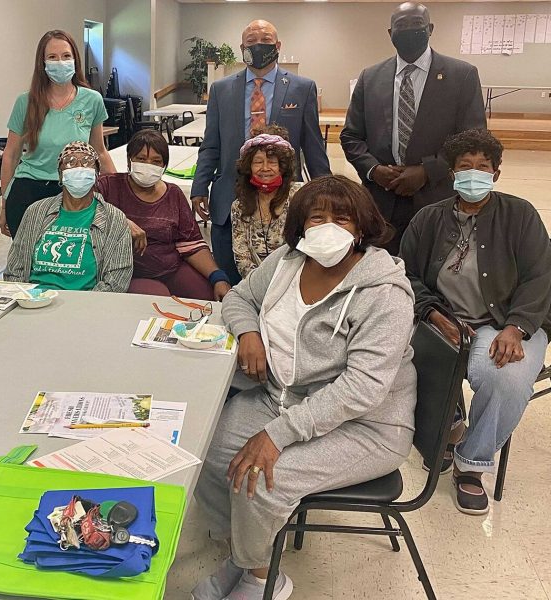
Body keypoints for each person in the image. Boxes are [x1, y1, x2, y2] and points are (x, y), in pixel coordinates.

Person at [193, 176, 416, 600]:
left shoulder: (383, 294)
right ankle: (241, 556)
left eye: (343, 219)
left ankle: (263, 579)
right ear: (300, 225)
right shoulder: (287, 261)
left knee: (257, 478)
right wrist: (248, 335)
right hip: (284, 397)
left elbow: (363, 388)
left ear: (362, 228)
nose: (328, 228)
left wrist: (276, 436)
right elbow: (238, 299)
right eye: (318, 217)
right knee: (211, 450)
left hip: (367, 425)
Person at [400, 129, 551, 515]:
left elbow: (540, 277)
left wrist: (515, 327)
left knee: (506, 378)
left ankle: (472, 463)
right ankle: (450, 421)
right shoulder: (428, 219)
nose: (473, 174)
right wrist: (434, 315)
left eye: (482, 167)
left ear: (496, 173)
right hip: (442, 319)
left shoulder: (520, 215)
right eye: (465, 167)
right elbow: (406, 277)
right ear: (452, 173)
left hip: (506, 322)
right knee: (399, 354)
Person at [191, 19, 331, 285]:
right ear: (242, 48)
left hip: (283, 200)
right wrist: (199, 187)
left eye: (265, 41)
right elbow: (211, 144)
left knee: (285, 279)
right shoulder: (221, 90)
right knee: (231, 279)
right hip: (229, 197)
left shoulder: (302, 88)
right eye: (251, 42)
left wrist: (327, 192)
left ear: (278, 46)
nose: (258, 46)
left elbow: (313, 147)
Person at [341, 2, 486, 254]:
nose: (409, 30)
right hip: (381, 201)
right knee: (381, 273)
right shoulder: (370, 77)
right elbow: (351, 136)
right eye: (401, 25)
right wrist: (374, 170)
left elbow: (473, 139)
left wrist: (426, 171)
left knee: (432, 270)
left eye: (416, 25)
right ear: (390, 33)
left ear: (430, 28)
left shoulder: (461, 75)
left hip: (436, 196)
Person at [0, 30, 116, 238]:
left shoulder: (92, 100)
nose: (60, 62)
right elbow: (11, 155)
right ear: (42, 63)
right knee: (31, 263)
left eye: (66, 56)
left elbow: (100, 151)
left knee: (71, 260)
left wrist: (119, 194)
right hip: (28, 191)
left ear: (75, 60)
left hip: (76, 190)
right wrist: (5, 205)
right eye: (52, 57)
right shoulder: (25, 102)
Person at [97, 129, 230, 301]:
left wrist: (217, 277)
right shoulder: (109, 186)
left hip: (171, 267)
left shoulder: (173, 193)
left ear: (164, 166)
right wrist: (121, 221)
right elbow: (81, 206)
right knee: (160, 300)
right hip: (129, 272)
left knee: (210, 298)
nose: (148, 165)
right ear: (129, 160)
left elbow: (191, 243)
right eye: (141, 159)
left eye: (156, 161)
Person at [4, 142, 132, 292]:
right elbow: (14, 269)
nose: (79, 168)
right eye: (70, 162)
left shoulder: (114, 219)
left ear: (97, 173)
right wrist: (27, 299)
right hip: (34, 302)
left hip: (86, 306)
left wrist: (82, 307)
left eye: (87, 162)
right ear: (60, 174)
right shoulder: (36, 212)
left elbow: (117, 280)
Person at [231, 127, 301, 279]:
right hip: (256, 283)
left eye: (272, 162)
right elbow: (241, 256)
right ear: (248, 167)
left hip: (296, 281)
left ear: (282, 167)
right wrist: (259, 285)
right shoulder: (239, 206)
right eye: (258, 162)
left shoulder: (300, 196)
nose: (265, 168)